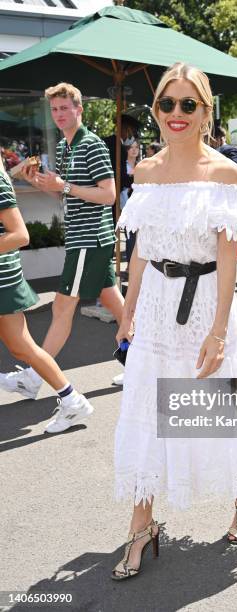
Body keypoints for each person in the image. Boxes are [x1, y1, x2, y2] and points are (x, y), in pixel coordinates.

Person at [112, 62, 237, 580]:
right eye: (168, 104)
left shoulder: (225, 174)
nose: (177, 113)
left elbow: (228, 259)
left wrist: (217, 331)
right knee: (148, 410)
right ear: (156, 111)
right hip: (159, 310)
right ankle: (142, 525)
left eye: (189, 104)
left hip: (208, 304)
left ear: (206, 111)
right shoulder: (144, 172)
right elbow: (141, 248)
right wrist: (127, 311)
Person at [1, 82, 124, 415]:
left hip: (89, 240)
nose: (58, 115)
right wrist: (43, 184)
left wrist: (65, 184)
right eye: (54, 109)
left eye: (64, 108)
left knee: (61, 308)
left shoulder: (91, 144)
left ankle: (33, 376)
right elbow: (69, 196)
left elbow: (109, 195)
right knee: (119, 307)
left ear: (79, 109)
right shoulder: (67, 147)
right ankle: (143, 364)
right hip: (86, 239)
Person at [0, 154, 93, 432]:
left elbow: (20, 235)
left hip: (2, 278)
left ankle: (71, 399)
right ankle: (71, 398)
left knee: (23, 345)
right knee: (20, 346)